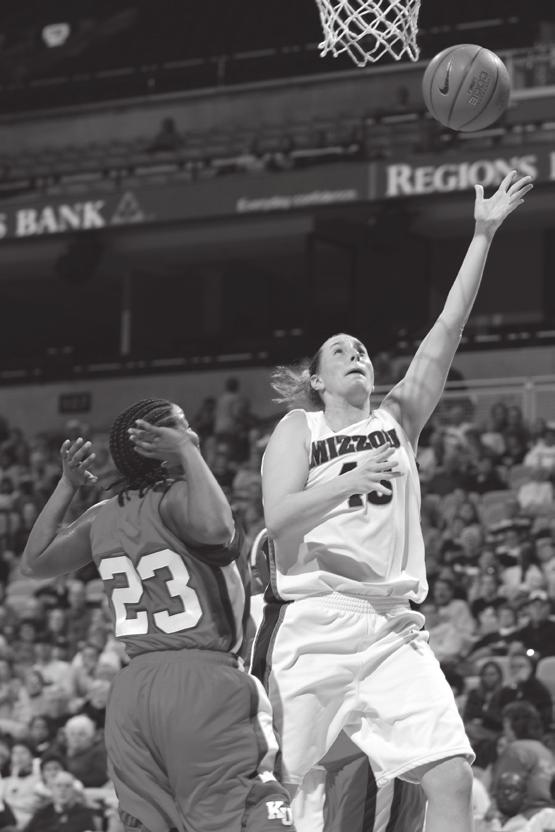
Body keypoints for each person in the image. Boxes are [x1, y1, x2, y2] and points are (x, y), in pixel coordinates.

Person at [252, 171, 533, 832]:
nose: (356, 354)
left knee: (451, 776)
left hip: (392, 626)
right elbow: (277, 517)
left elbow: (447, 325)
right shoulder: (301, 429)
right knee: (285, 799)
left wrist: (482, 233)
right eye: (339, 352)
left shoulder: (397, 421)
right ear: (316, 380)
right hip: (315, 623)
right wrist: (346, 483)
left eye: (363, 352)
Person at [21, 398, 296, 832]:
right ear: (156, 443)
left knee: (153, 823)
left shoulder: (101, 516)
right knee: (247, 805)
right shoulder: (181, 500)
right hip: (202, 681)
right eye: (183, 429)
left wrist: (66, 486)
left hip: (132, 693)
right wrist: (188, 452)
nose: (194, 435)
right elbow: (217, 529)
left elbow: (34, 562)